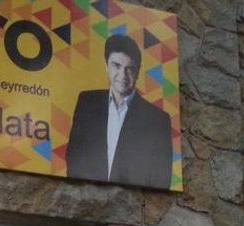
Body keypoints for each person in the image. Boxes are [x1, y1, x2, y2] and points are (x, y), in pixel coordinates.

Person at [66, 34, 172, 189]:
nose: (123, 75)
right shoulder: (86, 102)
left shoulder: (158, 120)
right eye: (116, 65)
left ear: (138, 72)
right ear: (106, 66)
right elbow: (74, 155)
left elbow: (161, 177)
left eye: (130, 69)